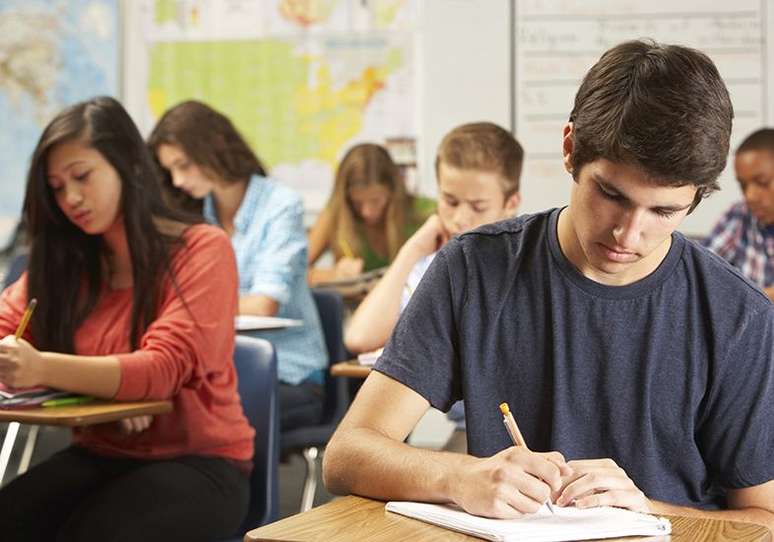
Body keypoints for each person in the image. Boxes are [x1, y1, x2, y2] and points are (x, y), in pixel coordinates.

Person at [322, 40, 774, 529]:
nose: (628, 233)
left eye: (663, 211)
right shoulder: (474, 269)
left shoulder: (736, 316)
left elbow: (764, 518)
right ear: (569, 149)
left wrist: (647, 510)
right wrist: (459, 476)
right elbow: (346, 455)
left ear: (697, 199)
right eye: (610, 194)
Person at [0, 96, 254, 541]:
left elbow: (159, 371)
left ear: (129, 166)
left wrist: (43, 368)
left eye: (82, 177)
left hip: (200, 463)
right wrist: (110, 391)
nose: (70, 198)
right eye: (57, 188)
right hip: (103, 452)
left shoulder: (202, 249)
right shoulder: (66, 261)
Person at [148, 100, 328, 432]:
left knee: (198, 421)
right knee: (155, 408)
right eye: (170, 169)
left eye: (183, 165)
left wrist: (190, 308)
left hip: (289, 374)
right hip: (221, 373)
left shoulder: (280, 205)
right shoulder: (194, 216)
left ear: (213, 149)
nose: (176, 180)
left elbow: (262, 306)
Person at [344, 123, 523, 454]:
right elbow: (360, 338)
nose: (460, 218)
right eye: (449, 200)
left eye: (477, 206)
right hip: (467, 438)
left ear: (511, 203)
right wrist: (411, 250)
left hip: (512, 441)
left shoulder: (522, 266)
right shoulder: (438, 262)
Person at [307, 143, 435, 284]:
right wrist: (333, 274)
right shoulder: (335, 213)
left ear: (393, 191)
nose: (366, 212)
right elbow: (294, 272)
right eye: (357, 202)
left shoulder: (425, 213)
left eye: (376, 201)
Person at [704, 128, 774, 300]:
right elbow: (701, 270)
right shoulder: (739, 215)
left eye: (761, 182)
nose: (749, 195)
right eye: (743, 185)